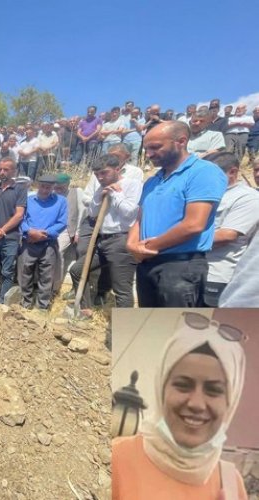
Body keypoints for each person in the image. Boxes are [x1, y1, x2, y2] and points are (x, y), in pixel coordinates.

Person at [112, 313, 248, 500]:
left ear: (230, 401)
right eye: (183, 385)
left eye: (213, 390)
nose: (196, 404)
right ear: (161, 388)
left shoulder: (231, 484)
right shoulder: (117, 460)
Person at [127, 121, 227, 307]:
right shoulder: (152, 181)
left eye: (156, 147)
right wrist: (132, 245)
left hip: (181, 267)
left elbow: (194, 225)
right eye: (146, 148)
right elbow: (140, 219)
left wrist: (148, 247)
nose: (149, 154)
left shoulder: (203, 172)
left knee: (179, 332)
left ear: (181, 141)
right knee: (149, 329)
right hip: (147, 264)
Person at [69, 155, 141, 315]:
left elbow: (130, 213)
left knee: (121, 288)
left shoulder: (132, 185)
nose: (100, 177)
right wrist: (98, 196)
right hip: (102, 240)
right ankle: (85, 310)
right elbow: (93, 213)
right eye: (97, 175)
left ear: (117, 169)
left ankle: (125, 328)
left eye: (104, 173)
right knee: (76, 270)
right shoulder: (101, 187)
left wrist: (116, 194)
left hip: (122, 240)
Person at [203, 152, 259, 307]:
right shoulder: (204, 194)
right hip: (194, 271)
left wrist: (176, 240)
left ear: (232, 172)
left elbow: (227, 235)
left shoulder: (247, 197)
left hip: (218, 275)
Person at [19, 175, 67, 310]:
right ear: (37, 185)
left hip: (48, 244)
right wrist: (29, 231)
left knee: (46, 276)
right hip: (29, 242)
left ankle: (42, 307)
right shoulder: (28, 200)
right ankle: (26, 303)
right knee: (25, 273)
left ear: (53, 188)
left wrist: (42, 235)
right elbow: (20, 219)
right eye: (43, 186)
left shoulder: (61, 201)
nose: (45, 190)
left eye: (48, 187)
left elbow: (62, 222)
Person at [0, 158, 27, 303]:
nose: (2, 172)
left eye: (6, 169)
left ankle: (3, 302)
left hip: (10, 239)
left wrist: (1, 231)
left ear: (14, 171)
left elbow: (19, 214)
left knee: (7, 272)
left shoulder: (20, 189)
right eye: (0, 169)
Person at [53, 173, 85, 296]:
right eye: (56, 187)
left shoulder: (77, 192)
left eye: (60, 187)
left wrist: (78, 232)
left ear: (67, 185)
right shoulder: (52, 194)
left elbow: (82, 212)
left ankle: (55, 287)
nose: (57, 190)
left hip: (67, 229)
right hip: (54, 228)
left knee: (58, 252)